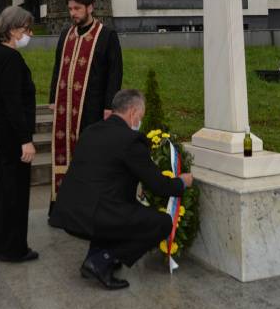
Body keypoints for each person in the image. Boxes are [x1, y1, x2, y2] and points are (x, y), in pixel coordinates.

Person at [49, 89, 194, 290]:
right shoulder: (131, 140)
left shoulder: (91, 130)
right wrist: (182, 182)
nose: (139, 121)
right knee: (161, 223)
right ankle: (101, 261)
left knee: (121, 208)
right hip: (96, 214)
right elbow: (159, 186)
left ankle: (94, 256)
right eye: (140, 117)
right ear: (133, 112)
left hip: (70, 213)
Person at [49, 0, 123, 211]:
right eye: (70, 9)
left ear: (90, 7)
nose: (73, 13)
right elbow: (57, 67)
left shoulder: (107, 35)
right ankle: (62, 206)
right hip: (65, 107)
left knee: (88, 155)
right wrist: (53, 97)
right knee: (65, 154)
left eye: (77, 8)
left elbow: (115, 73)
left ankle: (87, 208)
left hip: (92, 108)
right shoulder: (66, 34)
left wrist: (109, 106)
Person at [0, 6, 38, 263]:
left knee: (4, 192)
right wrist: (25, 139)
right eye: (27, 29)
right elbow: (13, 103)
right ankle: (13, 248)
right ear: (14, 29)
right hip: (11, 137)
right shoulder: (10, 58)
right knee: (14, 193)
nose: (29, 34)